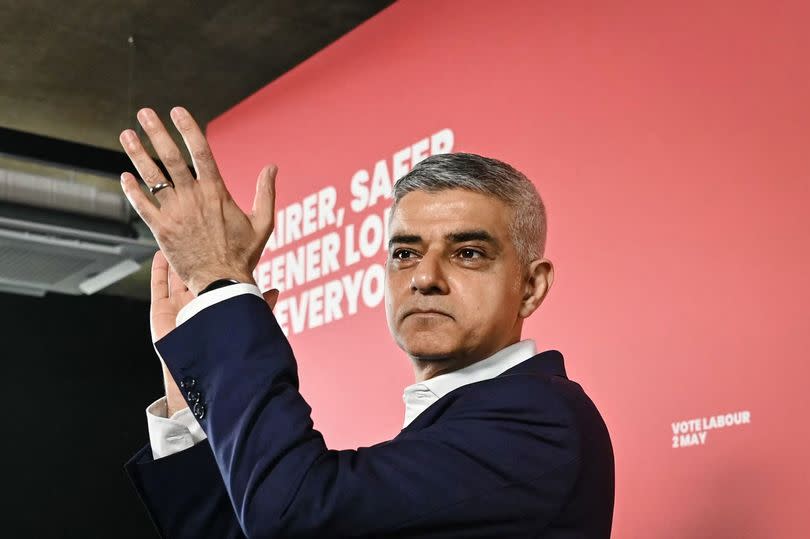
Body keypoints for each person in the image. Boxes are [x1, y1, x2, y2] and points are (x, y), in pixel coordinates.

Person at [121, 107, 614, 538]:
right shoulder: (453, 428)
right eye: (405, 252)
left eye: (467, 253)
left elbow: (291, 511)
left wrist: (220, 283)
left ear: (531, 287)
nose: (424, 277)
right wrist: (193, 407)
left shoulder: (541, 420)